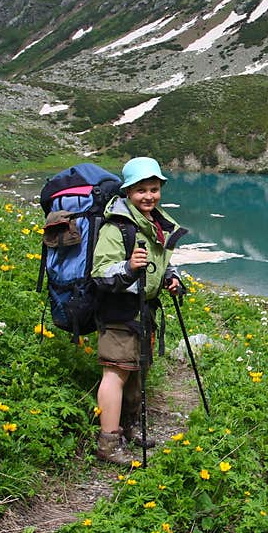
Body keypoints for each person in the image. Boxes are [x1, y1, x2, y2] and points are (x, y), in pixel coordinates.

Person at [91, 156, 188, 465]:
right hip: (118, 311)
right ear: (128, 192)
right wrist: (129, 268)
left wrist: (172, 279)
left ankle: (129, 426)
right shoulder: (117, 226)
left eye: (154, 188)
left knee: (137, 371)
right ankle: (108, 442)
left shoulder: (153, 223)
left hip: (142, 311)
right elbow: (101, 272)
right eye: (141, 190)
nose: (149, 196)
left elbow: (160, 263)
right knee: (116, 373)